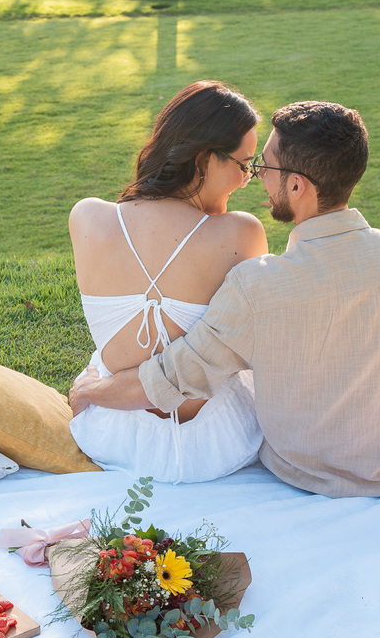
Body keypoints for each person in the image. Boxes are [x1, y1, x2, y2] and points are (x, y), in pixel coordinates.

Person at [70, 100, 380, 498]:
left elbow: (177, 376)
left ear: (297, 185)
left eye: (263, 166)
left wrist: (92, 392)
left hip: (300, 470)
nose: (255, 177)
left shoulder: (257, 285)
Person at [68, 81, 270, 482]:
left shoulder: (88, 216)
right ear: (204, 159)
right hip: (212, 442)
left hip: (111, 432)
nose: (249, 178)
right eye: (245, 164)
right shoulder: (240, 233)